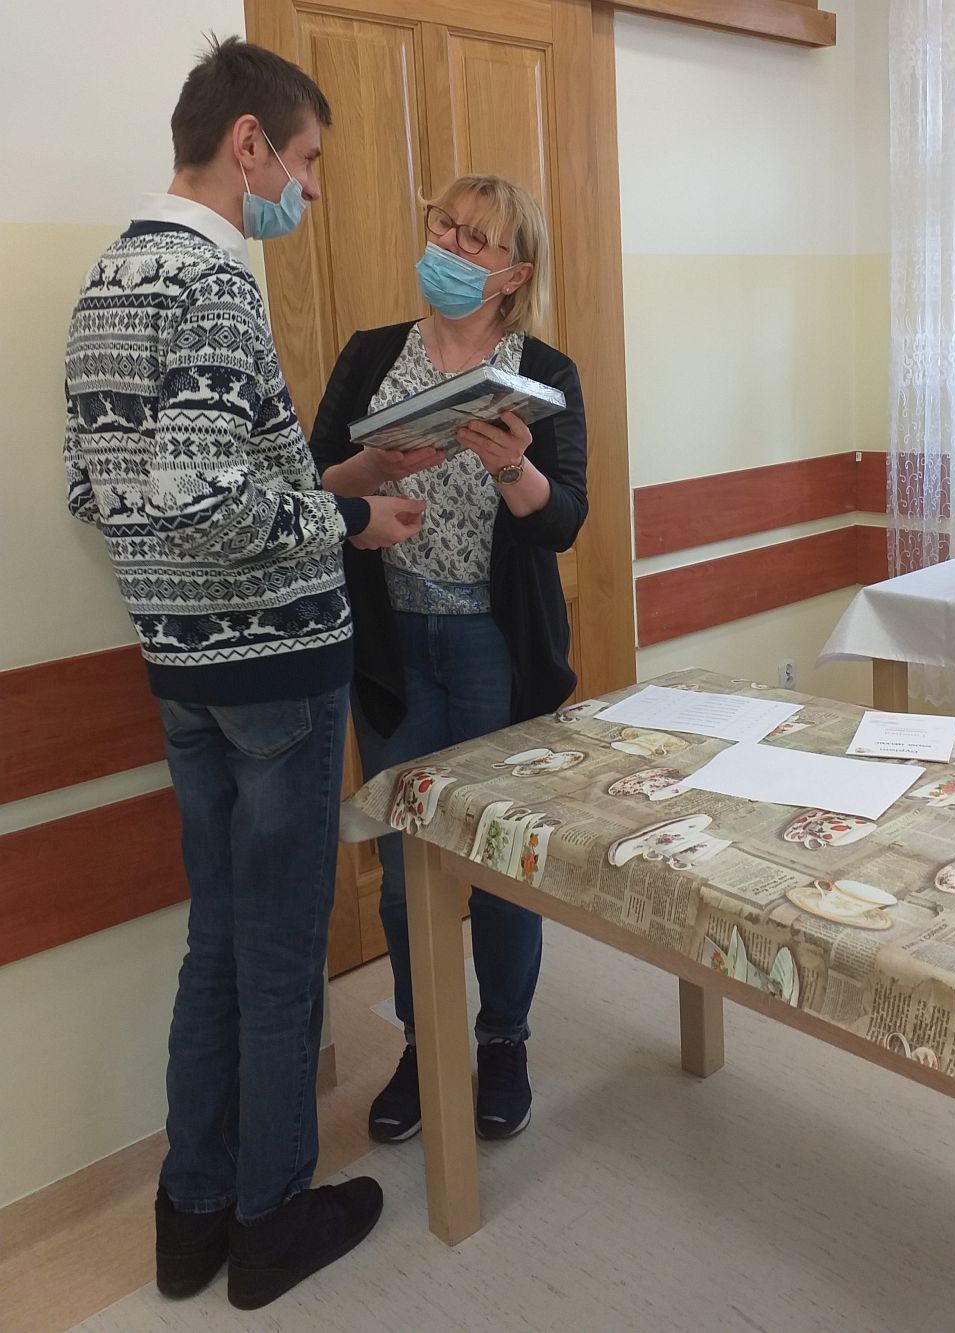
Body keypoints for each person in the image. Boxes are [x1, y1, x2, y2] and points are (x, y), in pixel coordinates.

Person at [62, 37, 425, 1310]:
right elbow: (212, 503)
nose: (310, 190)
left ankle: (190, 1215)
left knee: (215, 944)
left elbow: (107, 491)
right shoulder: (215, 280)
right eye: (308, 160)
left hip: (182, 670)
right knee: (277, 959)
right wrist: (352, 521)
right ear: (250, 144)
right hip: (275, 669)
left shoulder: (113, 275)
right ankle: (270, 1221)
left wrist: (323, 480)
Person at [310, 174, 587, 1145]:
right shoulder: (371, 354)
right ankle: (425, 1044)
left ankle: (502, 1040)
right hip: (393, 645)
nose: (451, 247)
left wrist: (511, 464)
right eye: (445, 225)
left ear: (514, 274)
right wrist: (372, 471)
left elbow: (563, 519)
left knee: (499, 858)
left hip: (492, 648)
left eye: (477, 240)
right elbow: (316, 482)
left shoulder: (542, 372)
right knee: (403, 865)